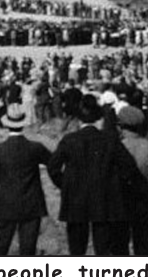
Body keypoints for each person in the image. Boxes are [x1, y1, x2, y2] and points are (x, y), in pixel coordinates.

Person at [47, 93, 137, 256]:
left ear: (79, 120)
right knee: (102, 248)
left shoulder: (69, 139)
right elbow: (129, 167)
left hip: (75, 199)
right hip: (103, 198)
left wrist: (66, 185)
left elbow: (53, 168)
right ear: (99, 119)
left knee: (76, 248)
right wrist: (115, 185)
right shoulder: (110, 139)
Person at [0, 104, 53, 256]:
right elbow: (53, 163)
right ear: (23, 124)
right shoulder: (35, 147)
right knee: (28, 248)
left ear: (7, 125)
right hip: (32, 201)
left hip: (7, 201)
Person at [116, 106, 148, 255]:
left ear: (120, 126)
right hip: (145, 200)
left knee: (120, 245)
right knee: (144, 246)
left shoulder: (118, 146)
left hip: (122, 201)